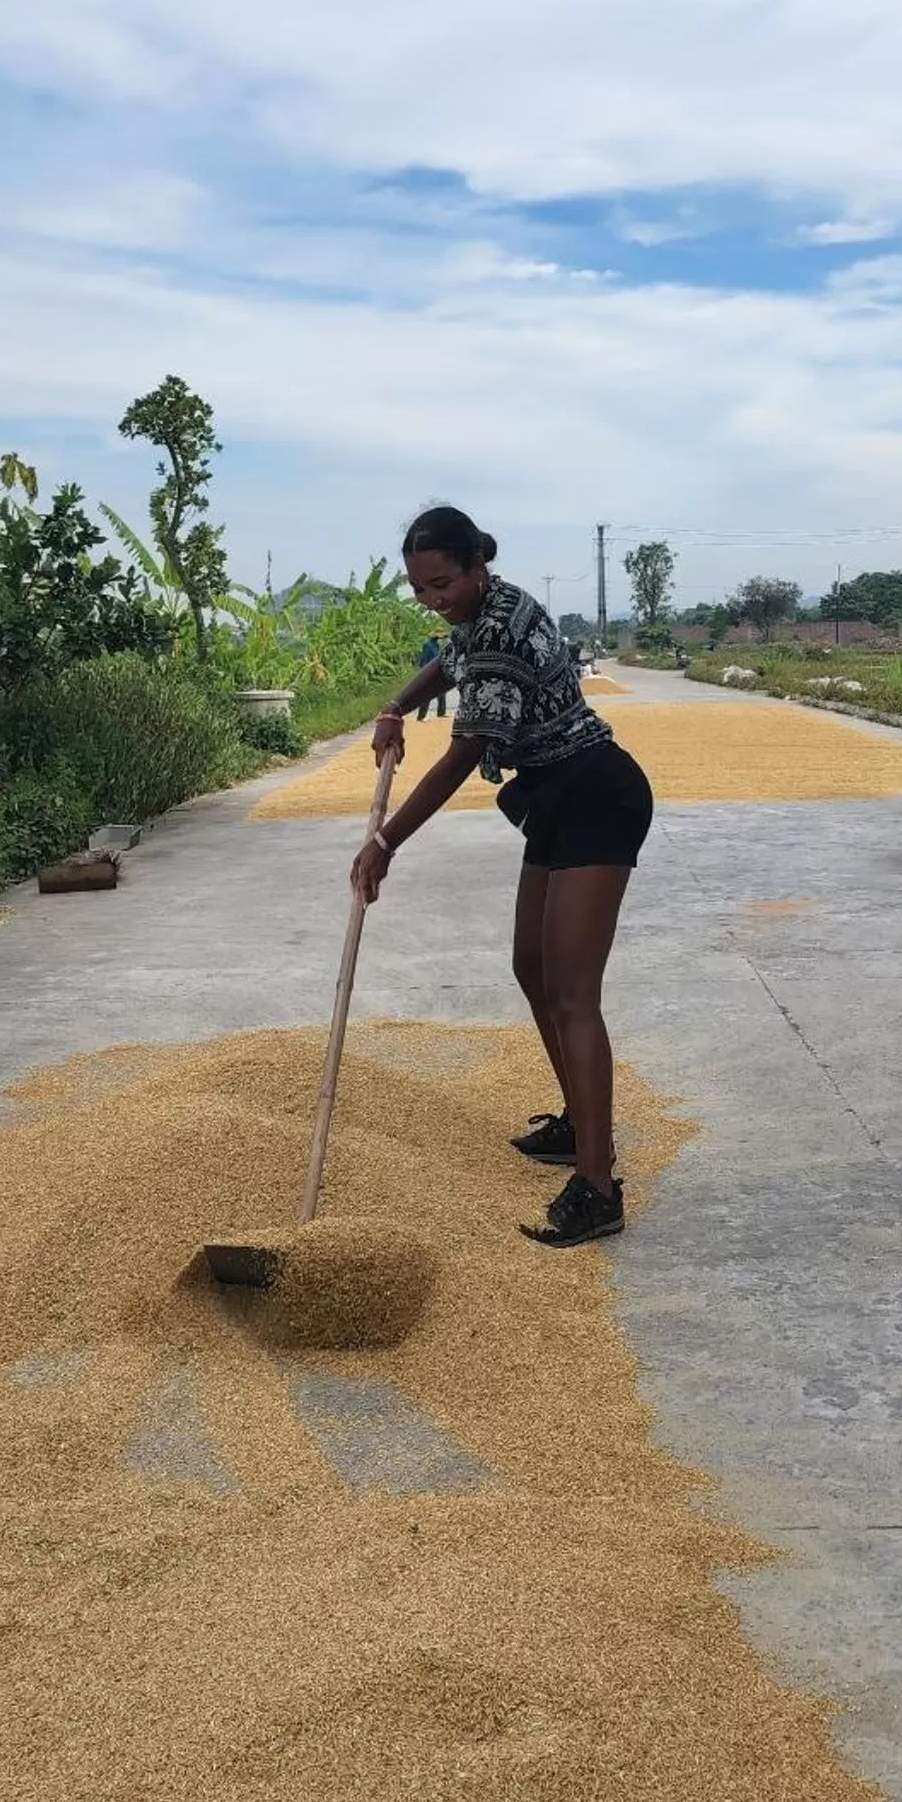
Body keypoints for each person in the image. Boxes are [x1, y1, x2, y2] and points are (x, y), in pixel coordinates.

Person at [351, 506, 654, 1248]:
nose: (434, 599)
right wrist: (395, 705)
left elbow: (463, 753)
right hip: (554, 798)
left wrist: (386, 841)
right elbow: (446, 659)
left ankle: (597, 1186)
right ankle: (581, 1123)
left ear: (476, 565)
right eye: (420, 588)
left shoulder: (501, 628)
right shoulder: (484, 611)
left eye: (443, 583)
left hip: (597, 795)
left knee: (574, 992)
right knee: (530, 963)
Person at [412, 629, 448, 718]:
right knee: (427, 694)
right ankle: (421, 715)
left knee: (441, 692)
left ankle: (441, 712)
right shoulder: (427, 645)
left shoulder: (436, 645)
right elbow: (424, 659)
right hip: (428, 670)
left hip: (437, 669)